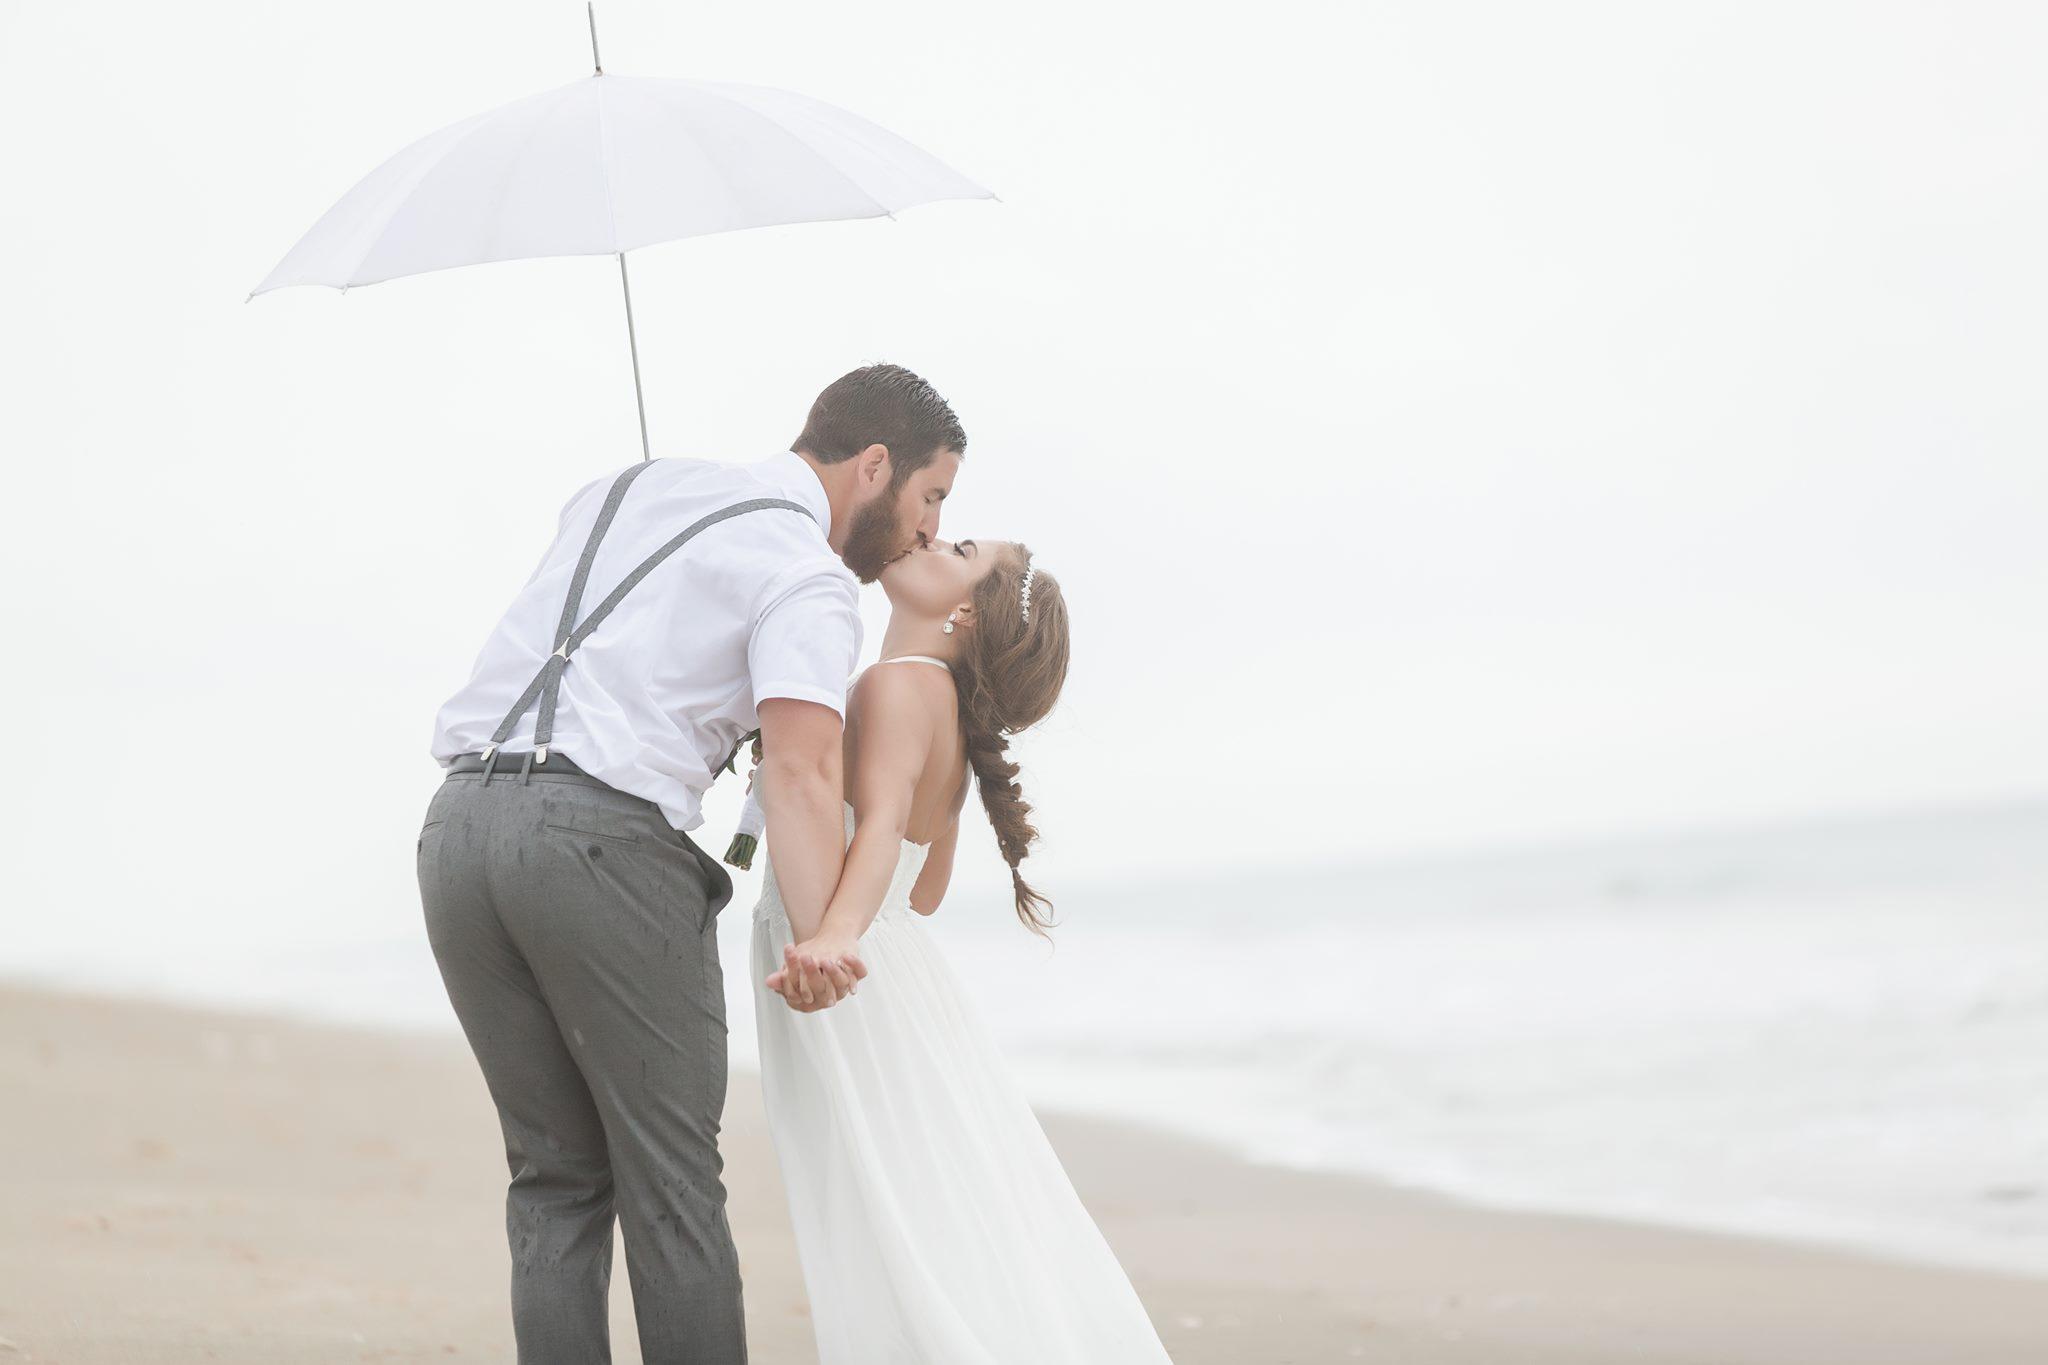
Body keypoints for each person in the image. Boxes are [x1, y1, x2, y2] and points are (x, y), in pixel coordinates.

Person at [415, 363, 963, 1363]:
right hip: (596, 850)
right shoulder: (802, 572)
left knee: (553, 1178)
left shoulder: (624, 487)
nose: (929, 529)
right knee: (670, 1185)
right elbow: (802, 774)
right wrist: (821, 948)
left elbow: (629, 656)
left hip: (456, 836)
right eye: (930, 497)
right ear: (874, 466)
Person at [747, 536, 1178, 1363]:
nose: (931, 537)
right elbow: (925, 888)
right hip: (899, 971)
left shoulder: (895, 683)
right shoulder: (937, 697)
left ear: (966, 609)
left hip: (851, 969)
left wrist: (833, 931)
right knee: (927, 1204)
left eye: (960, 546)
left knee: (887, 1213)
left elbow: (878, 828)